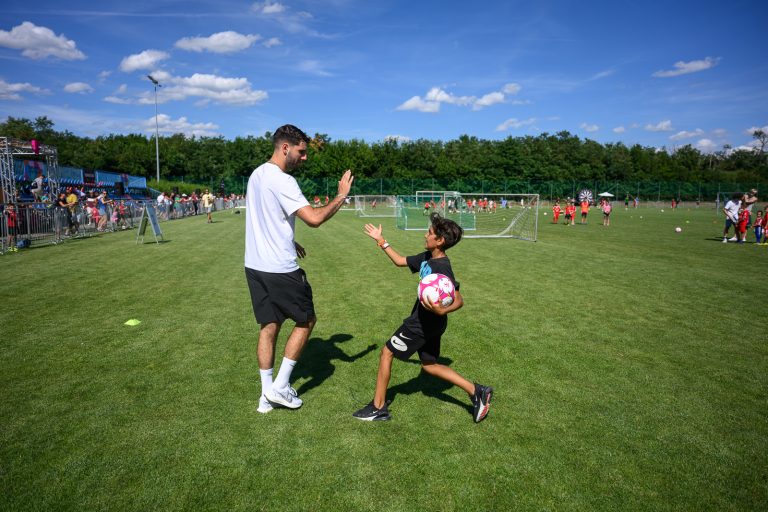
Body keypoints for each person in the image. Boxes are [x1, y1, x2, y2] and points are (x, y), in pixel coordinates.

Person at [244, 124, 353, 413]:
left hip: (255, 265)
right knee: (306, 321)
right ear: (285, 148)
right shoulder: (283, 180)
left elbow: (268, 217)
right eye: (301, 152)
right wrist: (341, 195)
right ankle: (280, 387)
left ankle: (265, 396)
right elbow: (314, 219)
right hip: (280, 269)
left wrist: (289, 239)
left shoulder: (256, 174)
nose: (304, 158)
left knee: (269, 326)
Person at [352, 213, 493, 423]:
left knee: (386, 353)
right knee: (429, 365)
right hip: (432, 324)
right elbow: (400, 261)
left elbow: (459, 300)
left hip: (421, 324)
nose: (425, 235)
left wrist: (442, 310)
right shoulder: (428, 257)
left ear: (440, 241)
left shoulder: (442, 267)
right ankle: (477, 390)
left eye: (429, 233)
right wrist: (381, 241)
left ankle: (378, 407)